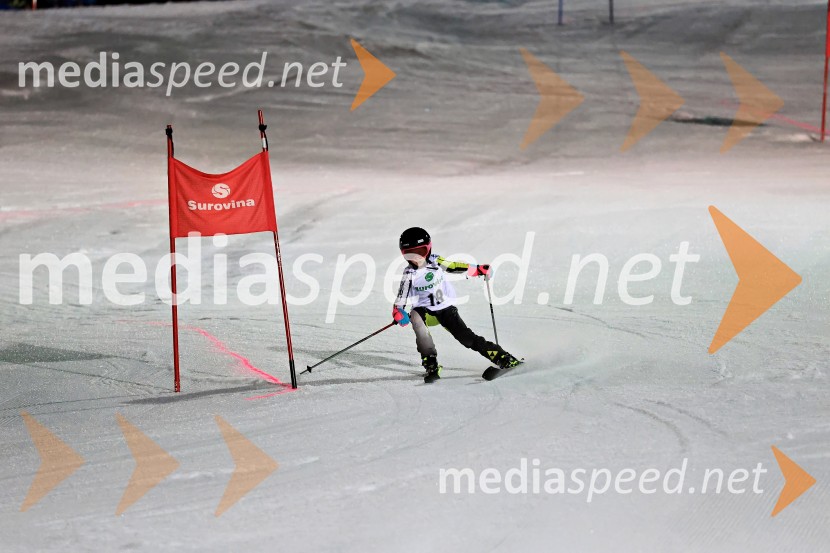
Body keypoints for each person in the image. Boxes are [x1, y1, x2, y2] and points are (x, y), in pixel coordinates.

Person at [392, 227, 521, 382]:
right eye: (409, 253)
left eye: (420, 251)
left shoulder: (435, 261)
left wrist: (477, 269)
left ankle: (504, 358)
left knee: (466, 339)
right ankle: (431, 364)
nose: (416, 257)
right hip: (425, 311)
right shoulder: (409, 274)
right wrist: (398, 311)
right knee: (416, 318)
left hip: (445, 309)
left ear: (428, 248)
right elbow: (401, 297)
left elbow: (453, 266)